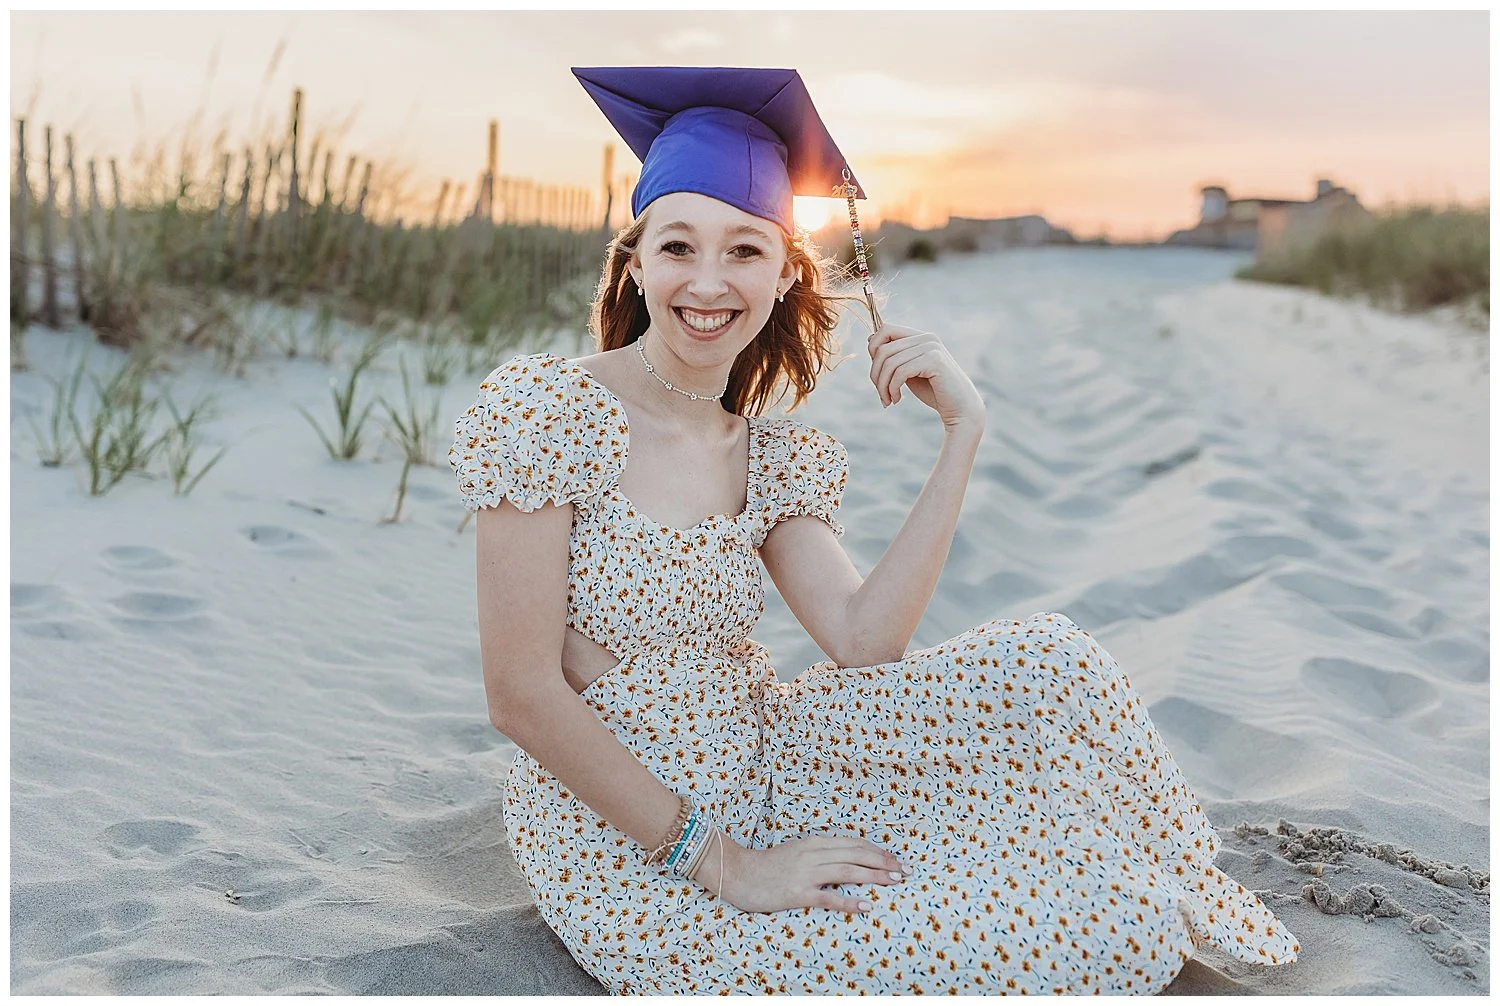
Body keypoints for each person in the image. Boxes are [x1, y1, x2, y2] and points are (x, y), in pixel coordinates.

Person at [447, 66, 1300, 995]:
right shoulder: (549, 413)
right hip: (628, 837)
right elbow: (520, 693)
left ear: (783, 277)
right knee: (1103, 935)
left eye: (744, 252)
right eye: (679, 246)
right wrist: (728, 864)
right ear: (636, 261)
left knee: (1052, 666)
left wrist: (961, 436)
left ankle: (1139, 879)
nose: (707, 281)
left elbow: (864, 639)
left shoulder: (763, 453)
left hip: (768, 763)